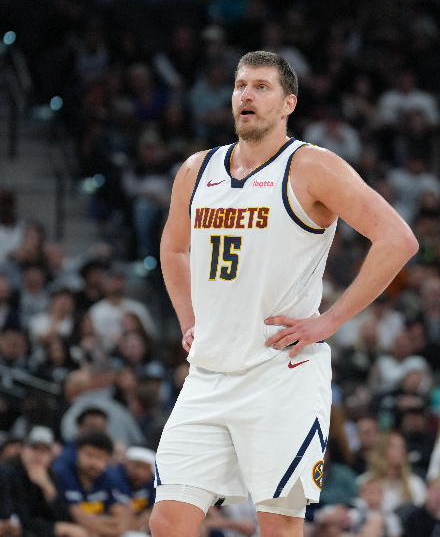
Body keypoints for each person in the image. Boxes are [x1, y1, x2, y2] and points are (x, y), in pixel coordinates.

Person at [152, 51, 418, 537]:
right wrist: (189, 320)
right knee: (168, 522)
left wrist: (330, 320)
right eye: (240, 86)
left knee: (278, 526)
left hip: (280, 374)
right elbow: (173, 249)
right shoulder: (196, 170)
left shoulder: (311, 166)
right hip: (209, 372)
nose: (247, 95)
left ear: (288, 103)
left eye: (261, 87)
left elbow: (398, 239)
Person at [1, 426, 88, 537]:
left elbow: (65, 520)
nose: (39, 455)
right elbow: (15, 520)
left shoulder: (50, 476)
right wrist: (55, 528)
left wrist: (48, 489)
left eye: (44, 451)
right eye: (34, 448)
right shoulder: (6, 473)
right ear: (22, 450)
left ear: (51, 456)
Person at [53, 430, 132, 537]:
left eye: (100, 457)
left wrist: (101, 524)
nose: (94, 462)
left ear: (108, 459)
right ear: (78, 453)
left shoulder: (106, 477)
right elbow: (80, 519)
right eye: (89, 455)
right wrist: (109, 523)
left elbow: (123, 518)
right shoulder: (64, 475)